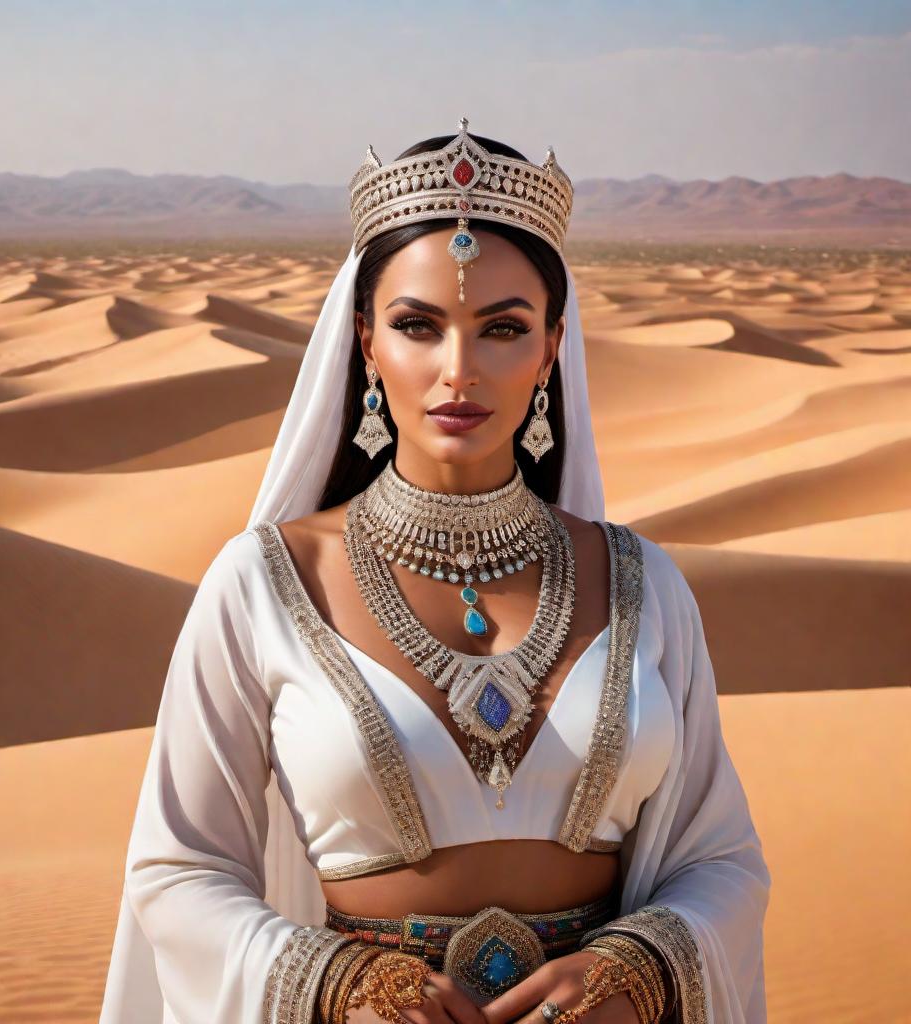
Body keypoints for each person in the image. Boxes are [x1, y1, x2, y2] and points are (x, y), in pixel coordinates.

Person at [99, 118, 771, 1024]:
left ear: (551, 348)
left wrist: (632, 967)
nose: (460, 370)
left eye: (503, 327)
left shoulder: (643, 584)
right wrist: (344, 990)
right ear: (367, 344)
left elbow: (720, 860)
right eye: (419, 325)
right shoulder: (262, 582)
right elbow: (179, 870)